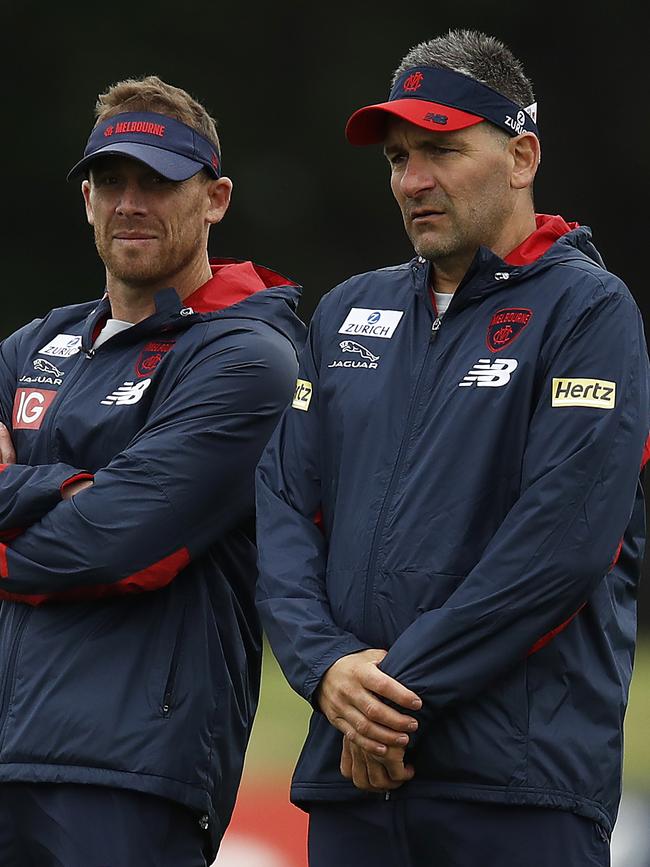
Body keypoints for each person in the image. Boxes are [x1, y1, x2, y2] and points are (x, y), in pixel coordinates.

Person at [255, 28, 650, 867]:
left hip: (514, 784)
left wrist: (391, 700)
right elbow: (284, 509)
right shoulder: (345, 312)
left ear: (521, 156)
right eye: (398, 157)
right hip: (350, 781)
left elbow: (561, 545)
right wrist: (326, 672)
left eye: (440, 148)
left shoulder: (590, 311)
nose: (413, 180)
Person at [0, 75, 304, 866]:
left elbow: (111, 543)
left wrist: (29, 491)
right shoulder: (35, 345)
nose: (129, 201)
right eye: (110, 180)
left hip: (130, 771)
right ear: (88, 198)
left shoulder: (248, 357)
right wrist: (63, 486)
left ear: (215, 199)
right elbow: (88, 516)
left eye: (158, 181)